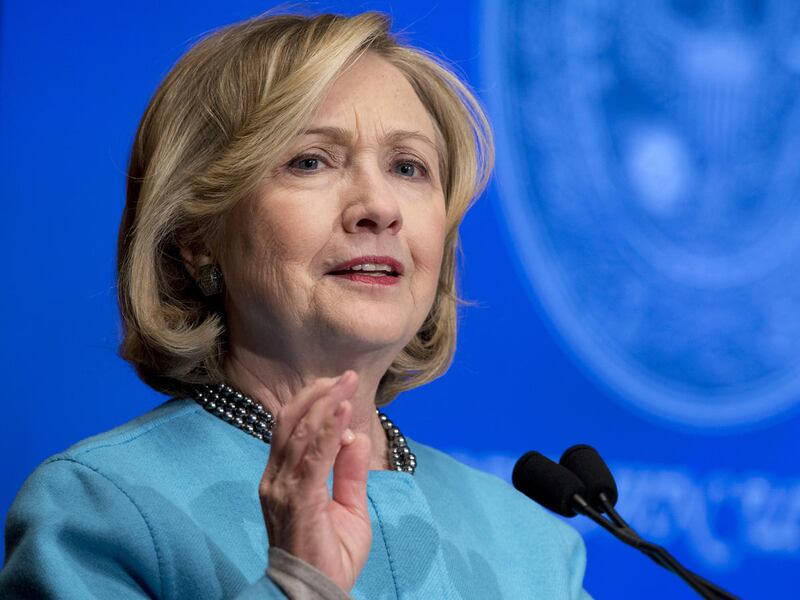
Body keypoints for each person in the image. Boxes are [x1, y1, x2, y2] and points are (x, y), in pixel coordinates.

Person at [0, 11, 590, 599]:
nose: (379, 207)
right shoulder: (106, 510)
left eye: (408, 167)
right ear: (198, 236)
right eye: (311, 161)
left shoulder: (532, 549)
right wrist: (296, 587)